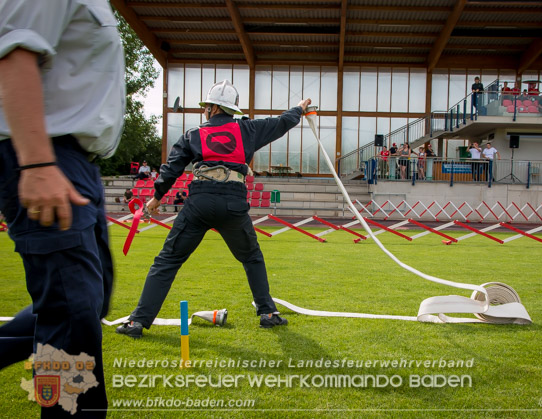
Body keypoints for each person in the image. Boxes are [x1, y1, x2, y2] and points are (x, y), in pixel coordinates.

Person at [0, 1, 125, 417]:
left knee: (89, 301)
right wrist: (36, 162)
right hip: (45, 154)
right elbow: (14, 49)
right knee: (71, 318)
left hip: (77, 163)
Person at [116, 80, 311, 338]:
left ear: (210, 107)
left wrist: (157, 197)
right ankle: (268, 313)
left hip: (199, 202)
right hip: (233, 202)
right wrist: (299, 108)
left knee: (167, 261)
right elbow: (282, 122)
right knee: (251, 257)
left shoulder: (192, 134)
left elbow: (171, 168)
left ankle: (137, 322)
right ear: (233, 109)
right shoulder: (249, 129)